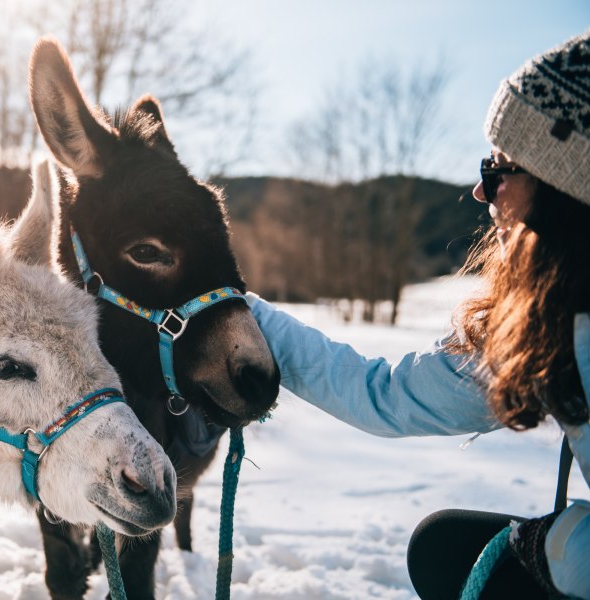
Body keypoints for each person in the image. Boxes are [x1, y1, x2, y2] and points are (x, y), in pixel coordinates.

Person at [247, 31, 590, 600]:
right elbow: (384, 394)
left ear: (565, 186)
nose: (483, 190)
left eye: (500, 167)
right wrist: (251, 315)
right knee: (444, 547)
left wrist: (566, 544)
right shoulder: (546, 323)